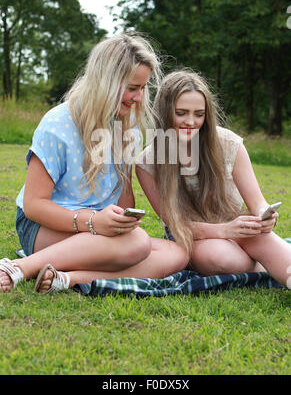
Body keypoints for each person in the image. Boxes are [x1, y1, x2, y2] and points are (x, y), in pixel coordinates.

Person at [0, 34, 188, 294]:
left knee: (177, 254)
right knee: (137, 245)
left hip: (96, 231)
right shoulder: (58, 124)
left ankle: (69, 278)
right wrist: (92, 221)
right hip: (44, 227)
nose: (138, 97)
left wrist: (121, 220)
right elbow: (34, 205)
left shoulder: (127, 129)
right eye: (132, 87)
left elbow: (123, 198)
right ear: (106, 82)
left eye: (143, 88)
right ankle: (20, 267)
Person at [136, 69, 291, 288]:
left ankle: (280, 266)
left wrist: (264, 216)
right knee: (222, 258)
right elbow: (177, 224)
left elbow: (258, 203)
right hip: (193, 237)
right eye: (181, 113)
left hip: (237, 228)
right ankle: (267, 265)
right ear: (164, 111)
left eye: (199, 114)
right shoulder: (148, 162)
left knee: (258, 238)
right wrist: (224, 231)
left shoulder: (229, 144)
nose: (191, 121)